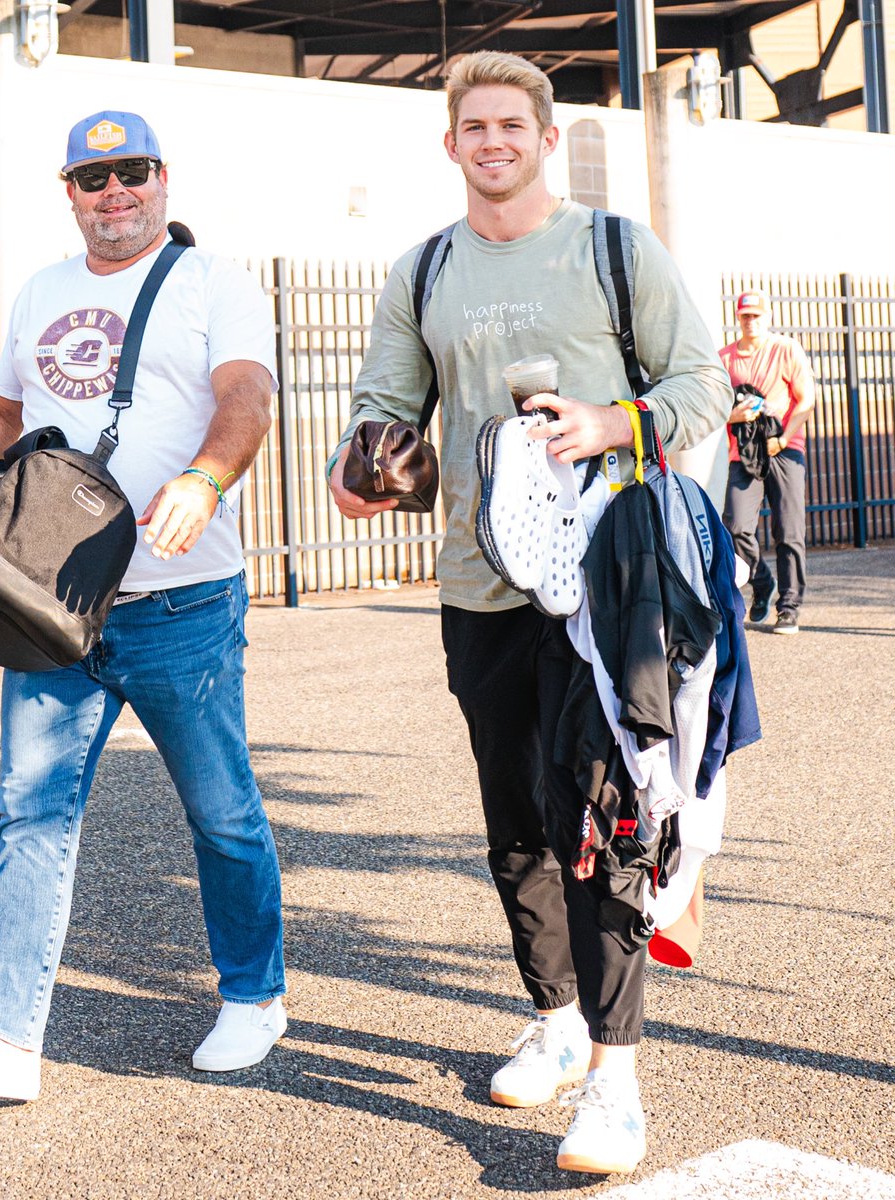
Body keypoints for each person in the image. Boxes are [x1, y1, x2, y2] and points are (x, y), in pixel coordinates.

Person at [328, 52, 731, 1175]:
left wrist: (612, 422)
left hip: (607, 585)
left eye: (514, 124)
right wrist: (368, 466)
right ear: (450, 145)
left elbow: (701, 383)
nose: (494, 141)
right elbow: (382, 412)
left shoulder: (614, 250)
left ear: (548, 140)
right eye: (475, 127)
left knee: (601, 821)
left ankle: (615, 1075)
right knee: (514, 822)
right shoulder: (421, 273)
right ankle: (553, 1021)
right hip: (481, 581)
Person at [0, 110, 287, 1101]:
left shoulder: (211, 284)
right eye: (94, 179)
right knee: (31, 811)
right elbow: (3, 410)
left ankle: (253, 995)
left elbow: (247, 396)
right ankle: (6, 1041)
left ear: (163, 178)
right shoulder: (44, 289)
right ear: (70, 191)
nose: (115, 193)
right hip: (47, 602)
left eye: (131, 172)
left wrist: (205, 479)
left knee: (221, 812)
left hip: (181, 605)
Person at [721, 290, 816, 635]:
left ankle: (789, 607)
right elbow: (716, 409)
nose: (752, 322)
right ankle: (762, 581)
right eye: (746, 316)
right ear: (738, 318)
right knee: (735, 525)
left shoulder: (785, 349)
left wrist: (784, 437)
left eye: (757, 316)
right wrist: (734, 414)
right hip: (743, 451)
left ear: (767, 317)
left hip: (785, 447)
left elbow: (807, 398)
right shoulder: (725, 359)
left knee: (789, 531)